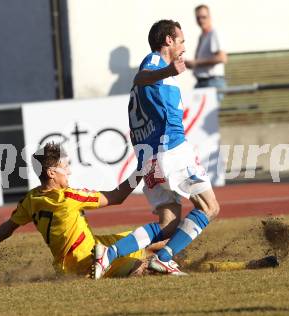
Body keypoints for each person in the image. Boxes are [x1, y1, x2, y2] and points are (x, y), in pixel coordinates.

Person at [93, 19, 220, 279]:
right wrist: (168, 71)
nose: (185, 46)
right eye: (182, 40)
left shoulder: (156, 75)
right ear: (168, 41)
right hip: (171, 150)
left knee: (168, 225)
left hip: (150, 157)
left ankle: (110, 253)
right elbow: (141, 77)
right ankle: (163, 258)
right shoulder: (154, 62)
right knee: (209, 208)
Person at [0, 142, 154, 278]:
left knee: (145, 239)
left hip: (74, 259)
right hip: (87, 260)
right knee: (144, 264)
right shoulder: (68, 198)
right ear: (52, 173)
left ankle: (170, 250)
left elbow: (9, 226)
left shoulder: (31, 199)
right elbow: (117, 197)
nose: (69, 172)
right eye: (65, 167)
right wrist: (141, 169)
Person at [185, 4, 227, 97]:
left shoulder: (214, 33)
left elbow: (222, 58)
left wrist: (196, 63)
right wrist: (190, 64)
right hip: (202, 83)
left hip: (212, 82)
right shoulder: (202, 36)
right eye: (198, 18)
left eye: (204, 17)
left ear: (210, 17)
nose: (201, 20)